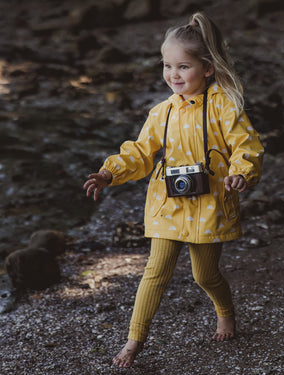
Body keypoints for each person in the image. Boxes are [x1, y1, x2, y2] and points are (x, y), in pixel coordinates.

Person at [83, 11, 264, 369]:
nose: (173, 75)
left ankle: (225, 311)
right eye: (167, 66)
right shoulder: (161, 112)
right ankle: (134, 340)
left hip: (210, 202)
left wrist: (242, 172)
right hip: (169, 201)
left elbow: (246, 145)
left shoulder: (224, 106)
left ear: (208, 68)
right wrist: (109, 172)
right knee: (155, 272)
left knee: (205, 275)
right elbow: (140, 151)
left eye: (183, 66)